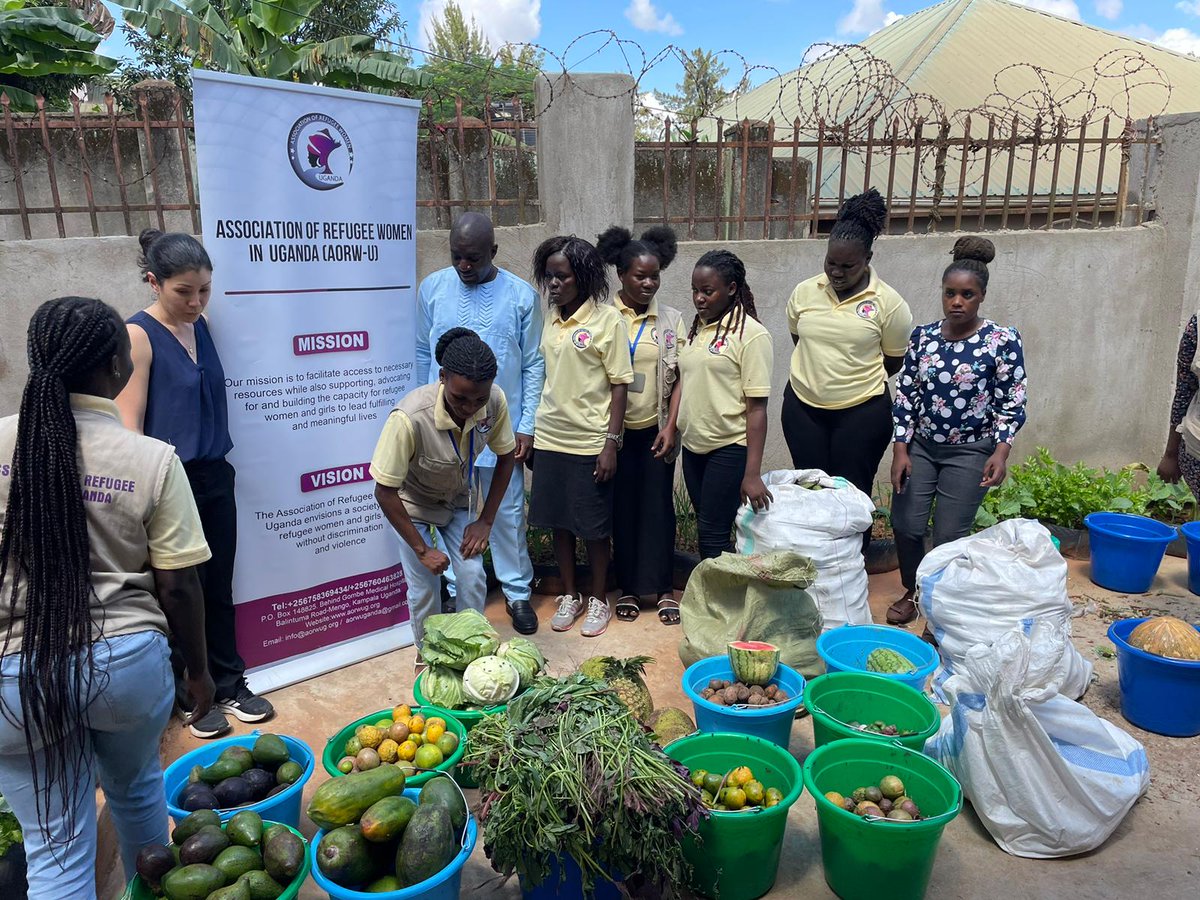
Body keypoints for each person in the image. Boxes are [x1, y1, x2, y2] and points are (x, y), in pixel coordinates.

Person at [0, 297, 213, 899]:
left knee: (55, 852)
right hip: (123, 665)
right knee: (139, 796)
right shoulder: (150, 460)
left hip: (14, 676)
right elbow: (178, 585)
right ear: (117, 366)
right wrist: (200, 673)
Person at [115, 229, 273, 739]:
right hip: (166, 481)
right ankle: (191, 693)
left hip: (213, 475)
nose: (196, 300)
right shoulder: (137, 336)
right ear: (153, 281)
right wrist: (141, 500)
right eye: (183, 291)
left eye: (204, 289)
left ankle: (229, 681)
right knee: (179, 590)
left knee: (220, 584)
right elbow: (127, 427)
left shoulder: (201, 325)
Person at [887, 238, 1027, 625]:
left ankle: (941, 608)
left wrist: (1001, 451)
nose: (957, 302)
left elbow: (1011, 399)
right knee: (907, 524)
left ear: (981, 296)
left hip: (971, 451)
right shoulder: (924, 337)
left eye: (967, 294)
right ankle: (912, 591)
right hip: (922, 448)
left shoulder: (1001, 340)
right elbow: (907, 394)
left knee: (950, 535)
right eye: (950, 293)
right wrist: (901, 448)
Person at [415, 213, 543, 635]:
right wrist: (426, 426)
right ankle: (458, 586)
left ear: (494, 252)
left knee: (505, 512)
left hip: (498, 426)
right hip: (446, 431)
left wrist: (525, 426)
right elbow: (421, 354)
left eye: (473, 258)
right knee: (455, 510)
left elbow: (532, 364)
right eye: (456, 257)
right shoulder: (432, 289)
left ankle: (517, 591)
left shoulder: (521, 296)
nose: (463, 266)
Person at [371, 328, 517, 656]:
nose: (470, 407)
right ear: (442, 378)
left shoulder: (494, 401)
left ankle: (470, 652)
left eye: (479, 399)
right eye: (460, 397)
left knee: (472, 575)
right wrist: (423, 550)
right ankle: (430, 657)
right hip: (411, 505)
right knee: (425, 590)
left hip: (457, 499)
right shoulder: (409, 418)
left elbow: (507, 457)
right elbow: (384, 491)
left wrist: (485, 521)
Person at [781, 188, 914, 512]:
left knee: (851, 500)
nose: (837, 272)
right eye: (831, 263)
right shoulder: (804, 292)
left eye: (847, 265)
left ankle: (852, 563)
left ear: (867, 259)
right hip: (803, 410)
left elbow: (893, 360)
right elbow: (801, 339)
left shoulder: (889, 303)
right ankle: (816, 563)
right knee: (810, 493)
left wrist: (848, 377)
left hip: (862, 415)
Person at [529, 235, 634, 637]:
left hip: (590, 441)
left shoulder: (607, 320)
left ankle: (597, 600)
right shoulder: (551, 320)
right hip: (550, 437)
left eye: (562, 277)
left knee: (593, 527)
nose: (554, 285)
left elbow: (620, 385)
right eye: (549, 277)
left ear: (583, 278)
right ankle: (570, 595)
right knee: (559, 523)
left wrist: (612, 442)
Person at [596, 225, 685, 626]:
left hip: (655, 429)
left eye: (654, 276)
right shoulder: (603, 317)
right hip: (613, 435)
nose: (649, 283)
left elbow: (681, 374)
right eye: (640, 276)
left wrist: (672, 426)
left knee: (659, 508)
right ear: (621, 275)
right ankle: (629, 586)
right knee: (622, 509)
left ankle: (663, 588)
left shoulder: (671, 320)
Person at [677, 250, 774, 559]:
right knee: (709, 528)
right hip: (693, 448)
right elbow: (687, 380)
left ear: (731, 289)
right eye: (695, 290)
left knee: (713, 532)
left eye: (707, 291)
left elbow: (757, 407)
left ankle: (718, 604)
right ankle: (720, 598)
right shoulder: (698, 330)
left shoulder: (752, 335)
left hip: (729, 447)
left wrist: (752, 473)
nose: (699, 298)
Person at [1158, 312, 1200, 502]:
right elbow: (1185, 389)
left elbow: (1185, 389)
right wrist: (1171, 454)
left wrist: (1171, 454)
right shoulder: (1197, 325)